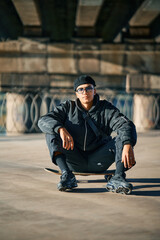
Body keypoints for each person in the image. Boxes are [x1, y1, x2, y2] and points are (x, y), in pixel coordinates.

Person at [38, 75, 137, 194]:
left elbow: (126, 124)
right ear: (76, 93)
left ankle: (118, 178)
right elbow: (43, 120)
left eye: (89, 88)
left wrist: (127, 144)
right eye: (81, 89)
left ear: (94, 91)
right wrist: (60, 129)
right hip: (74, 160)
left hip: (99, 159)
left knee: (124, 137)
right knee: (51, 132)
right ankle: (66, 175)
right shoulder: (67, 107)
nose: (85, 92)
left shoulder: (106, 109)